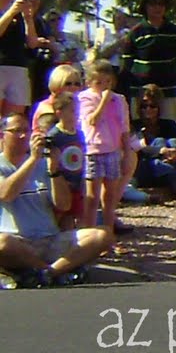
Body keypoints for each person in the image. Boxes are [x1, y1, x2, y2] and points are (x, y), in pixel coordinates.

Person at [0, 114, 112, 288]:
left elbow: (63, 205)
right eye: (17, 131)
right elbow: (6, 194)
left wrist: (54, 171)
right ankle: (56, 271)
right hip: (17, 242)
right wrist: (32, 160)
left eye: (26, 131)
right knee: (2, 243)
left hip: (50, 239)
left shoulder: (43, 164)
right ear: (2, 135)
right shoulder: (5, 165)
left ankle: (48, 273)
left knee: (102, 235)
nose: (23, 136)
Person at [78, 60, 132, 239]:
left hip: (113, 149)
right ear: (89, 82)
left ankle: (108, 235)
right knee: (92, 196)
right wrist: (103, 101)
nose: (104, 86)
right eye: (99, 82)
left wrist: (126, 152)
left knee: (110, 196)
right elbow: (92, 120)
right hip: (93, 150)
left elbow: (124, 127)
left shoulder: (119, 100)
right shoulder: (85, 98)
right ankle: (88, 235)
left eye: (107, 82)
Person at [121, 0, 176, 119]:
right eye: (152, 4)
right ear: (145, 7)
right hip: (141, 90)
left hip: (167, 89)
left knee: (168, 124)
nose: (157, 7)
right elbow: (127, 63)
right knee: (140, 125)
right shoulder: (135, 32)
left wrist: (167, 73)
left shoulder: (174, 31)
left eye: (161, 4)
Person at [131, 84, 176, 200]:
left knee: (173, 141)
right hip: (147, 166)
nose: (148, 109)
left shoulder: (169, 124)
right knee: (159, 141)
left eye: (152, 106)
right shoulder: (135, 126)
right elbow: (141, 148)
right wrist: (161, 151)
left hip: (168, 163)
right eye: (144, 106)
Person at [0, 0, 43, 117]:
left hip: (18, 67)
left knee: (15, 119)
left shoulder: (20, 12)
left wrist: (28, 19)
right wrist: (10, 13)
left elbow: (32, 43)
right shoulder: (12, 11)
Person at [39, 94, 86, 229]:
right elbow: (47, 159)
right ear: (59, 113)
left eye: (77, 110)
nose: (76, 114)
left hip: (77, 180)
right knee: (59, 215)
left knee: (76, 214)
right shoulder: (54, 135)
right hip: (61, 182)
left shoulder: (79, 133)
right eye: (72, 111)